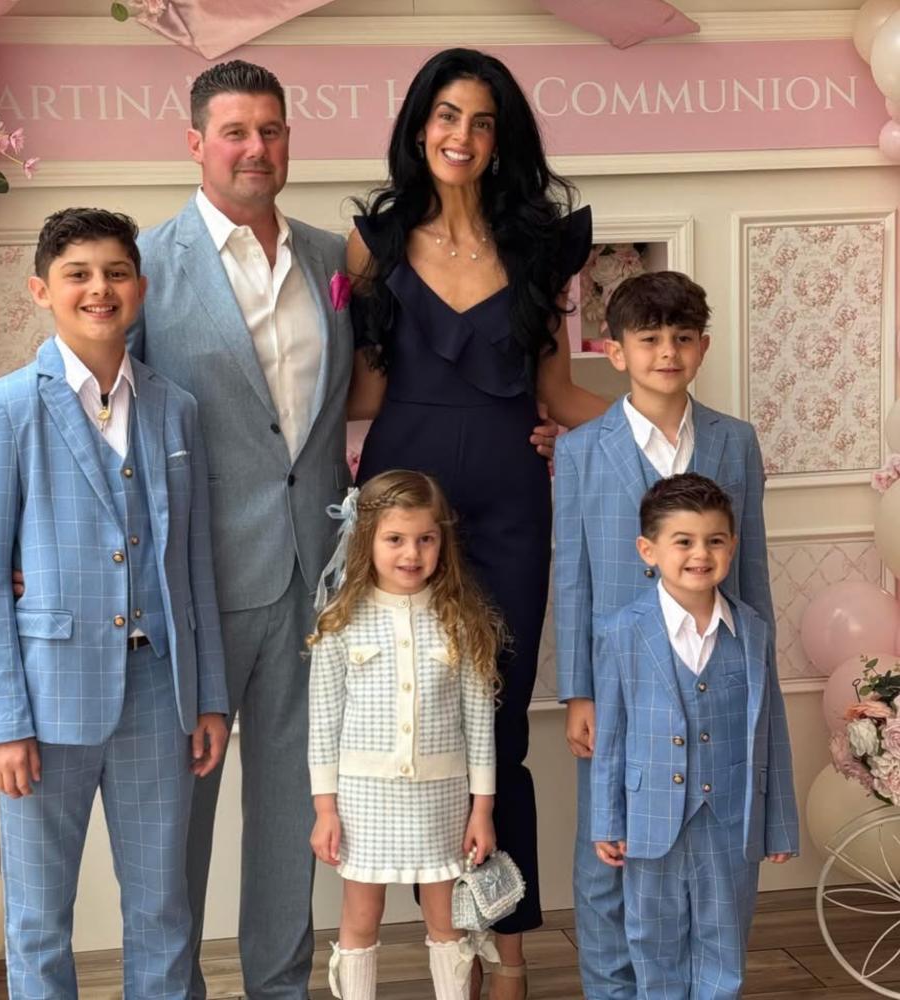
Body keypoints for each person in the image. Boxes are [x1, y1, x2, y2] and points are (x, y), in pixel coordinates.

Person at [347, 48, 606, 994]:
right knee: (409, 725)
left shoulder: (540, 249)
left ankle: (509, 950)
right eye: (447, 116)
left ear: (501, 140)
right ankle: (426, 946)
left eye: (482, 121)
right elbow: (361, 396)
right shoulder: (372, 245)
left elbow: (559, 394)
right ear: (421, 126)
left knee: (496, 731)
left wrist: (676, 431)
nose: (462, 135)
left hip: (509, 508)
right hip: (398, 514)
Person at [0, 208, 229, 999]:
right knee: (40, 921)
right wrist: (1, 724)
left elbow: (194, 564)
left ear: (139, 287)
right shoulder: (7, 408)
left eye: (115, 273)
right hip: (46, 705)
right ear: (42, 290)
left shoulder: (176, 408)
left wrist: (209, 695)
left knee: (163, 910)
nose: (98, 289)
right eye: (78, 274)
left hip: (159, 696)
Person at [127, 60, 355, 1000]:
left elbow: (361, 395)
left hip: (317, 575)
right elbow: (109, 425)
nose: (255, 148)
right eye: (235, 132)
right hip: (196, 586)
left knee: (292, 808)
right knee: (180, 817)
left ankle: (280, 985)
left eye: (271, 130)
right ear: (195, 143)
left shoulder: (334, 259)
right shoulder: (143, 264)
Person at [553, 270, 776, 999]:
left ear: (703, 346)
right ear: (617, 351)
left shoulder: (735, 441)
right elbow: (573, 575)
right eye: (649, 339)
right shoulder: (582, 451)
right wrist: (578, 691)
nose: (667, 353)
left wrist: (760, 679)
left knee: (713, 850)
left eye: (682, 338)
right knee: (608, 852)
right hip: (620, 681)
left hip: (715, 669)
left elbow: (753, 569)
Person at [591, 473, 798, 999]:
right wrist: (607, 819)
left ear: (732, 546)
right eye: (683, 541)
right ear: (649, 550)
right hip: (650, 819)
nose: (700, 554)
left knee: (723, 941)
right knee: (652, 939)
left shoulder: (752, 630)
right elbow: (610, 738)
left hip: (730, 817)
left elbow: (771, 727)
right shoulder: (621, 632)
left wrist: (779, 824)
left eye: (715, 540)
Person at [308, 470, 502, 1000]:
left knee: (447, 918)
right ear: (366, 540)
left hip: (441, 800)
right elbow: (323, 725)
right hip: (363, 801)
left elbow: (479, 722)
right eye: (395, 539)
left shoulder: (460, 621)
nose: (411, 553)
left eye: (425, 539)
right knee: (360, 915)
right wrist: (325, 809)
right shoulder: (339, 623)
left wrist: (482, 809)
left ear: (442, 542)